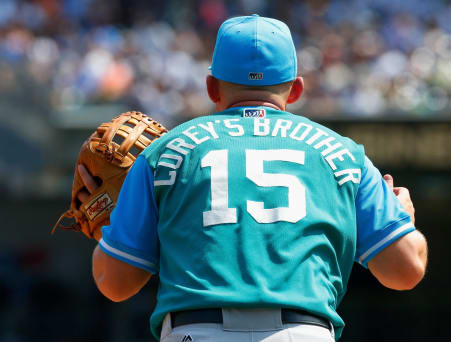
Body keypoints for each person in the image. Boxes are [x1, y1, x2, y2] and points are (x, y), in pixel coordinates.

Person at [83, 15, 427, 342]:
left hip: (198, 331)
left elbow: (116, 285)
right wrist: (403, 222)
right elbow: (405, 271)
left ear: (211, 86)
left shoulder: (164, 153)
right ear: (295, 90)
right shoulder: (343, 154)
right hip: (303, 333)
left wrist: (113, 223)